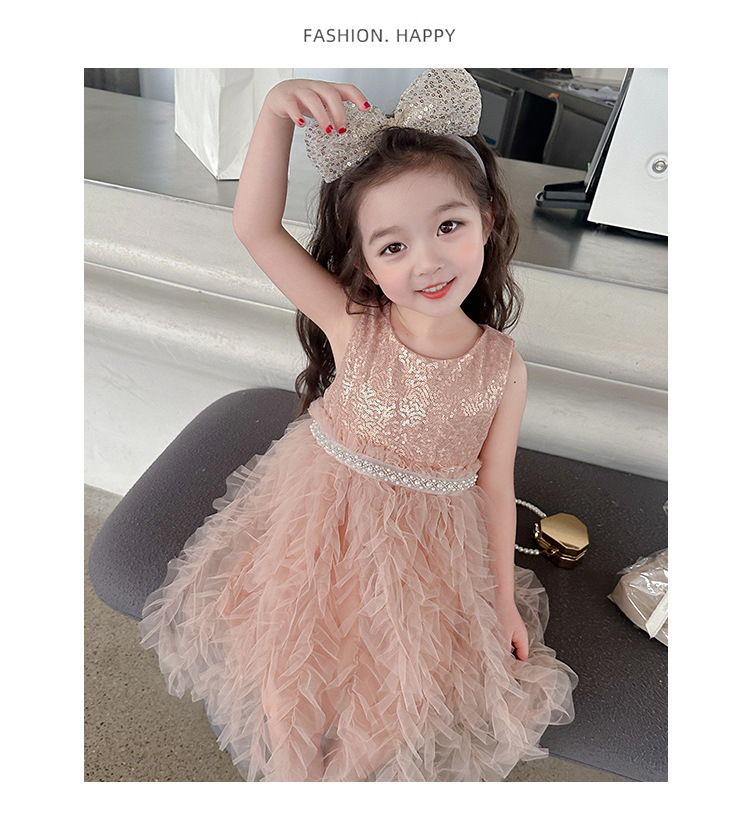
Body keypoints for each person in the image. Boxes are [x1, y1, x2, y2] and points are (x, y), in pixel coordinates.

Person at [139, 68, 577, 782]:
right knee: (296, 666)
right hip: (322, 516)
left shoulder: (503, 366)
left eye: (448, 226)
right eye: (393, 246)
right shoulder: (354, 322)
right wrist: (273, 113)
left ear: (489, 217)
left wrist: (502, 600)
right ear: (367, 265)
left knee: (394, 695)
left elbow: (496, 485)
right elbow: (255, 229)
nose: (428, 262)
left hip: (430, 544)